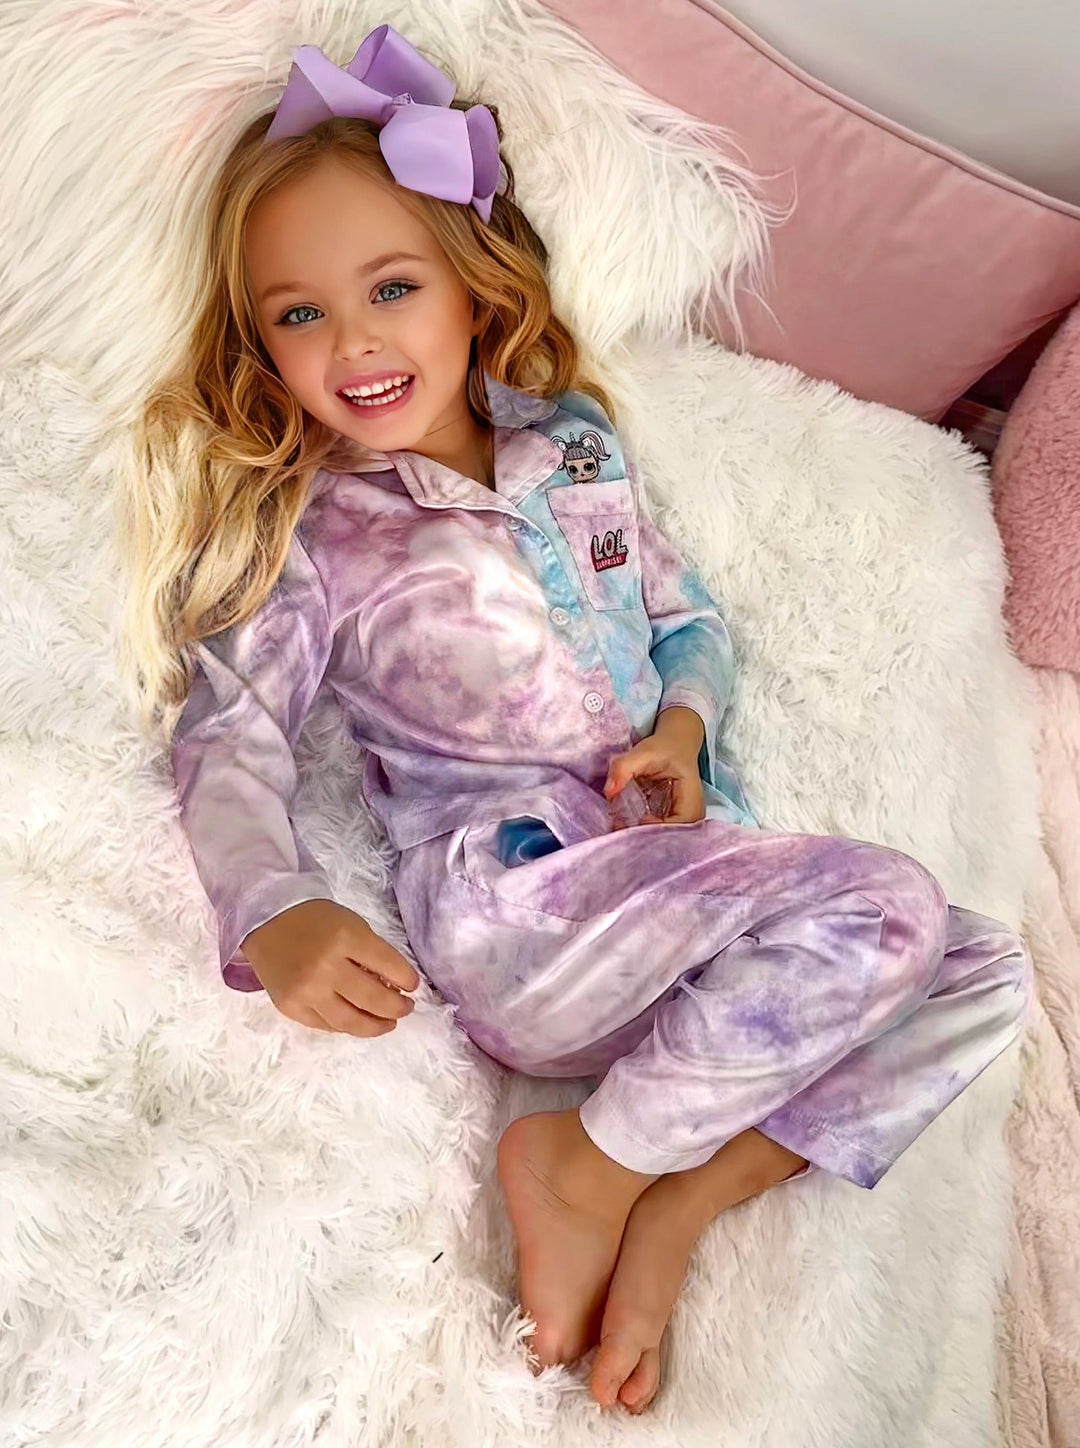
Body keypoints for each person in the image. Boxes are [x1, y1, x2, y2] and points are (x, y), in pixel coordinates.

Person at [119, 24, 1032, 1417]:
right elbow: (228, 728)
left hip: (677, 894)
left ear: (470, 288)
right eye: (298, 316)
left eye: (391, 288)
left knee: (978, 969)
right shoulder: (317, 535)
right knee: (886, 908)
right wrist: (275, 907)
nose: (353, 342)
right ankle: (582, 1170)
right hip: (524, 913)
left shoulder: (576, 449)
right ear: (262, 347)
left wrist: (681, 733)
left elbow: (687, 622)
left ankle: (671, 1202)